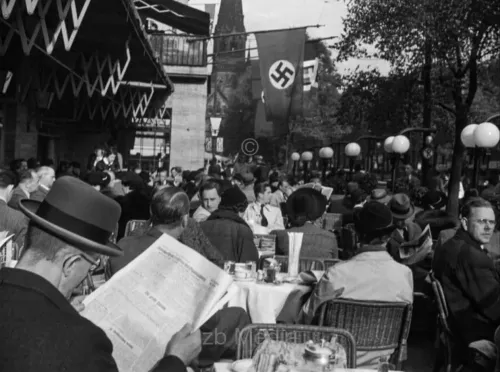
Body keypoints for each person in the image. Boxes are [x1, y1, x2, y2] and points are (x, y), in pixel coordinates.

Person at [0, 176, 201, 372]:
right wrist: (176, 360)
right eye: (91, 264)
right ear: (71, 264)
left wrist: (57, 309)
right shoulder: (82, 343)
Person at [301, 201, 413, 368]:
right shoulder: (405, 274)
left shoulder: (337, 274)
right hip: (382, 364)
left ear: (356, 234)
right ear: (388, 236)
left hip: (335, 362)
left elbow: (307, 318)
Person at [433, 198, 500, 360]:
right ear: (464, 222)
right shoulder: (472, 256)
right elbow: (495, 309)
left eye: (492, 222)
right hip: (474, 330)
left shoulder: (452, 244)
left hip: (458, 323)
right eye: (481, 221)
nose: (488, 227)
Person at [201, 186, 259, 263]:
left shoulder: (200, 226)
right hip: (228, 274)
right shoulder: (242, 231)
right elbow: (250, 264)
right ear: (240, 210)